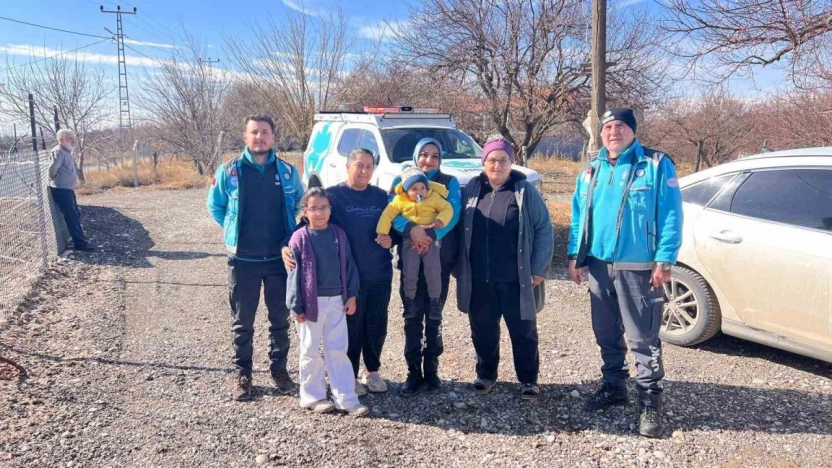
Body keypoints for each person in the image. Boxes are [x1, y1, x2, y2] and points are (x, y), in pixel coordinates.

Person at [567, 108, 683, 438]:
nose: (613, 132)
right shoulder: (591, 170)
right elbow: (578, 215)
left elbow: (671, 214)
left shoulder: (656, 164)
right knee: (605, 332)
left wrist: (664, 260)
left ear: (632, 130)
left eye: (620, 126)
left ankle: (650, 402)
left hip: (639, 267)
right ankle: (614, 387)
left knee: (642, 337)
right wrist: (575, 254)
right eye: (607, 127)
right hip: (599, 265)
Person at [207, 114, 303, 401]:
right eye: (254, 132)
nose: (259, 137)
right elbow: (216, 207)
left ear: (273, 136)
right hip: (243, 260)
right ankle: (243, 375)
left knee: (280, 319)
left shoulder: (287, 171)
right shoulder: (229, 171)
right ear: (245, 136)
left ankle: (280, 371)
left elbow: (298, 203)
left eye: (264, 132)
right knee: (242, 321)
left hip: (279, 260)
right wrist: (234, 231)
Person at [283, 147, 393, 396]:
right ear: (347, 167)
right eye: (359, 165)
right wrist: (284, 246)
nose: (364, 170)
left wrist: (392, 239)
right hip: (347, 276)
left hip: (379, 270)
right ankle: (348, 375)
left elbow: (394, 226)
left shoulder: (380, 196)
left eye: (369, 166)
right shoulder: (334, 196)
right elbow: (305, 224)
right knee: (350, 327)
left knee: (376, 323)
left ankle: (372, 370)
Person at [456, 138, 554, 400]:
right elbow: (457, 228)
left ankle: (528, 379)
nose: (497, 165)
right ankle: (486, 375)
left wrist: (538, 268)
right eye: (492, 160)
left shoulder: (523, 190)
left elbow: (543, 228)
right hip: (479, 278)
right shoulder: (472, 189)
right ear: (483, 163)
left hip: (516, 278)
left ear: (512, 162)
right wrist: (457, 265)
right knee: (483, 330)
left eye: (503, 160)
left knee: (523, 330)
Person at [286, 187, 369, 417]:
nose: (319, 213)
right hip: (310, 302)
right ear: (305, 211)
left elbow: (349, 265)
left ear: (330, 210)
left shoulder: (338, 235)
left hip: (337, 301)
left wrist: (351, 294)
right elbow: (293, 274)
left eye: (324, 208)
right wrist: (295, 305)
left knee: (338, 349)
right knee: (310, 349)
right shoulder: (300, 238)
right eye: (314, 208)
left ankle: (346, 397)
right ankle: (312, 396)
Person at [388, 138, 461, 396]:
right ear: (416, 156)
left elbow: (454, 212)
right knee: (411, 314)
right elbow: (393, 212)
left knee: (434, 314)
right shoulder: (401, 180)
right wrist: (412, 230)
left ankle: (431, 369)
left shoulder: (449, 182)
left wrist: (430, 235)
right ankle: (412, 371)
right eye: (424, 155)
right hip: (409, 256)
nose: (429, 160)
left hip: (438, 259)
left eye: (435, 156)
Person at [378, 165, 452, 313]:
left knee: (433, 271)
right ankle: (409, 300)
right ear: (406, 190)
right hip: (410, 241)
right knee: (409, 272)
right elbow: (387, 215)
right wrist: (382, 232)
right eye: (414, 189)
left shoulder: (433, 197)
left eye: (422, 187)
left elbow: (447, 208)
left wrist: (440, 220)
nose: (420, 192)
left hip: (430, 242)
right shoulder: (399, 200)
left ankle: (435, 301)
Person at [48, 129, 92, 251]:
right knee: (72, 217)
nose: (73, 140)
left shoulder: (66, 151)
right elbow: (52, 170)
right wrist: (53, 179)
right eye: (69, 138)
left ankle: (80, 241)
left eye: (73, 137)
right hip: (61, 190)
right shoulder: (58, 151)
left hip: (68, 189)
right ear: (61, 140)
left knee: (76, 214)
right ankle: (79, 244)